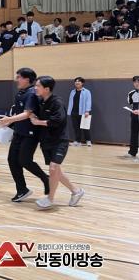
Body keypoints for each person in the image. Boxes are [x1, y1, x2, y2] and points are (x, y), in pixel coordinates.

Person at [31, 76, 85, 209]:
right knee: (56, 171)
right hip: (46, 141)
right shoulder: (40, 101)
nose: (35, 88)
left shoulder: (57, 102)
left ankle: (50, 199)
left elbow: (57, 121)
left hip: (59, 140)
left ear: (47, 89)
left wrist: (38, 122)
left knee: (53, 168)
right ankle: (76, 191)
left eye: (38, 86)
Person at [0, 68, 50, 202]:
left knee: (25, 160)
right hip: (19, 132)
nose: (17, 80)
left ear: (27, 79)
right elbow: (19, 113)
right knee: (12, 160)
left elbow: (27, 114)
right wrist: (9, 121)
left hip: (30, 133)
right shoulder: (20, 93)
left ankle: (46, 179)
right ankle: (22, 190)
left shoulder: (32, 93)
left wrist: (9, 119)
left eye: (19, 77)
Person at [67, 77, 92, 147]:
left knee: (85, 127)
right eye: (76, 81)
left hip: (83, 112)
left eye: (79, 81)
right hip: (74, 112)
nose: (77, 82)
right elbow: (70, 102)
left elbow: (88, 101)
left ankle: (88, 140)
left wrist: (87, 111)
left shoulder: (86, 91)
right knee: (76, 128)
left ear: (82, 83)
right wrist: (69, 111)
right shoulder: (72, 91)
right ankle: (77, 141)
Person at [125, 76, 139, 161]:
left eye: (138, 81)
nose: (137, 83)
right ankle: (132, 152)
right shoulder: (131, 93)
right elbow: (131, 103)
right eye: (135, 82)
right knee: (134, 134)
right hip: (134, 116)